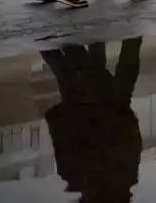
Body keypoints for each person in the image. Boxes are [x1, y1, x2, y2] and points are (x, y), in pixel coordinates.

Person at [41, 38, 143, 201]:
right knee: (76, 72)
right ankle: (66, 40)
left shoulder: (82, 176)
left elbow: (131, 144)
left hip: (99, 115)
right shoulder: (78, 176)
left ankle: (68, 40)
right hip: (103, 115)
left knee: (80, 73)